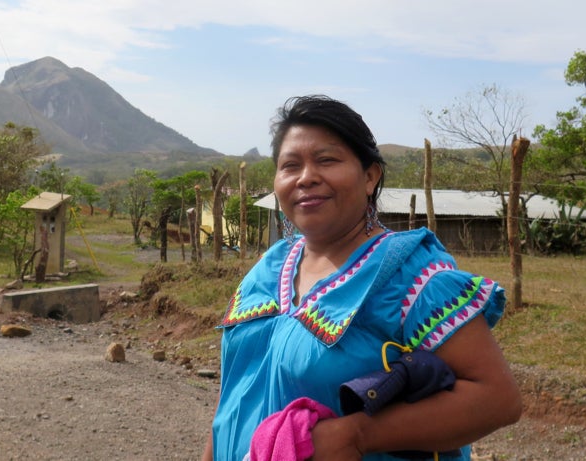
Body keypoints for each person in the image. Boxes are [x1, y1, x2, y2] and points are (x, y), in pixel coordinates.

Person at [202, 95, 522, 461]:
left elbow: (498, 399)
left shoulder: (413, 277)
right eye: (290, 165)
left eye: (327, 160)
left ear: (370, 176)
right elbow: (234, 395)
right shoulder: (268, 268)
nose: (306, 177)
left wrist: (358, 435)